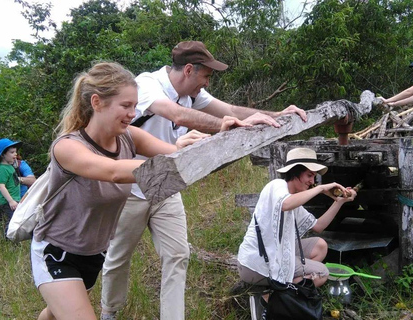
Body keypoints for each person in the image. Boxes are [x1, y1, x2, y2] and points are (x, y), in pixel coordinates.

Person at [101, 41, 307, 320]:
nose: (206, 83)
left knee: (177, 256)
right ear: (188, 70)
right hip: (133, 186)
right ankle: (109, 312)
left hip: (167, 186)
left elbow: (230, 109)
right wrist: (223, 126)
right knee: (119, 257)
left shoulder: (192, 94)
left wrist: (276, 116)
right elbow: (176, 114)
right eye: (206, 76)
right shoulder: (147, 85)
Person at [30, 62, 243, 320]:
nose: (133, 113)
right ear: (97, 102)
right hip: (57, 252)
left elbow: (176, 155)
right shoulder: (67, 147)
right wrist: (170, 159)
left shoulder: (129, 137)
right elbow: (113, 171)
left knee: (55, 313)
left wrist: (215, 135)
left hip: (92, 253)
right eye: (126, 106)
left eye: (135, 105)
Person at [236, 147, 357, 320]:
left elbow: (318, 226)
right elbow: (285, 204)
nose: (312, 181)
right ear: (295, 173)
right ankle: (268, 300)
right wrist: (321, 189)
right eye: (309, 175)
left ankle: (286, 289)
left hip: (273, 254)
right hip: (254, 264)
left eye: (314, 177)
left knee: (320, 246)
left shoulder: (294, 201)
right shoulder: (277, 186)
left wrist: (340, 201)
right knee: (322, 273)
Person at [0, 138, 24, 230]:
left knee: (15, 221)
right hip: (8, 201)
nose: (15, 154)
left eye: (15, 152)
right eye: (12, 152)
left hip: (15, 199)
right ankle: (8, 240)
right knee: (11, 222)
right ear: (3, 154)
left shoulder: (9, 166)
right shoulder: (2, 168)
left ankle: (13, 241)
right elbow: (1, 186)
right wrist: (11, 201)